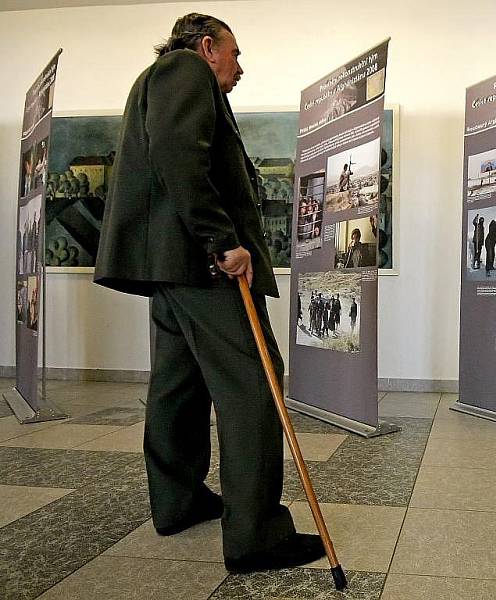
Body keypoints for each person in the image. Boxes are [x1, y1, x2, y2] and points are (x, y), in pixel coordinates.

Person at [93, 14, 325, 574]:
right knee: (254, 385)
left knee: (179, 385)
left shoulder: (156, 78)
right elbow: (181, 156)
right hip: (203, 266)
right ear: (207, 47)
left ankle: (179, 502)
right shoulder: (183, 71)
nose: (239, 67)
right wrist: (223, 241)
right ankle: (256, 537)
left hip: (173, 267)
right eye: (234, 54)